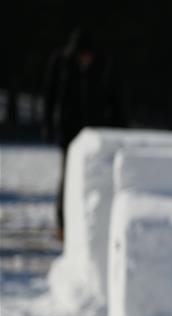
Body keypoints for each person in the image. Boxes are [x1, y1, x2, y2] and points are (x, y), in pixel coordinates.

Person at [43, 27, 125, 240]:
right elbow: (50, 96)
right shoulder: (60, 64)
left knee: (94, 180)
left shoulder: (103, 65)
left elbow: (114, 98)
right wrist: (49, 124)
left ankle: (90, 225)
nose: (84, 59)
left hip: (95, 132)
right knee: (67, 178)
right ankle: (63, 224)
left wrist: (118, 126)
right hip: (68, 131)